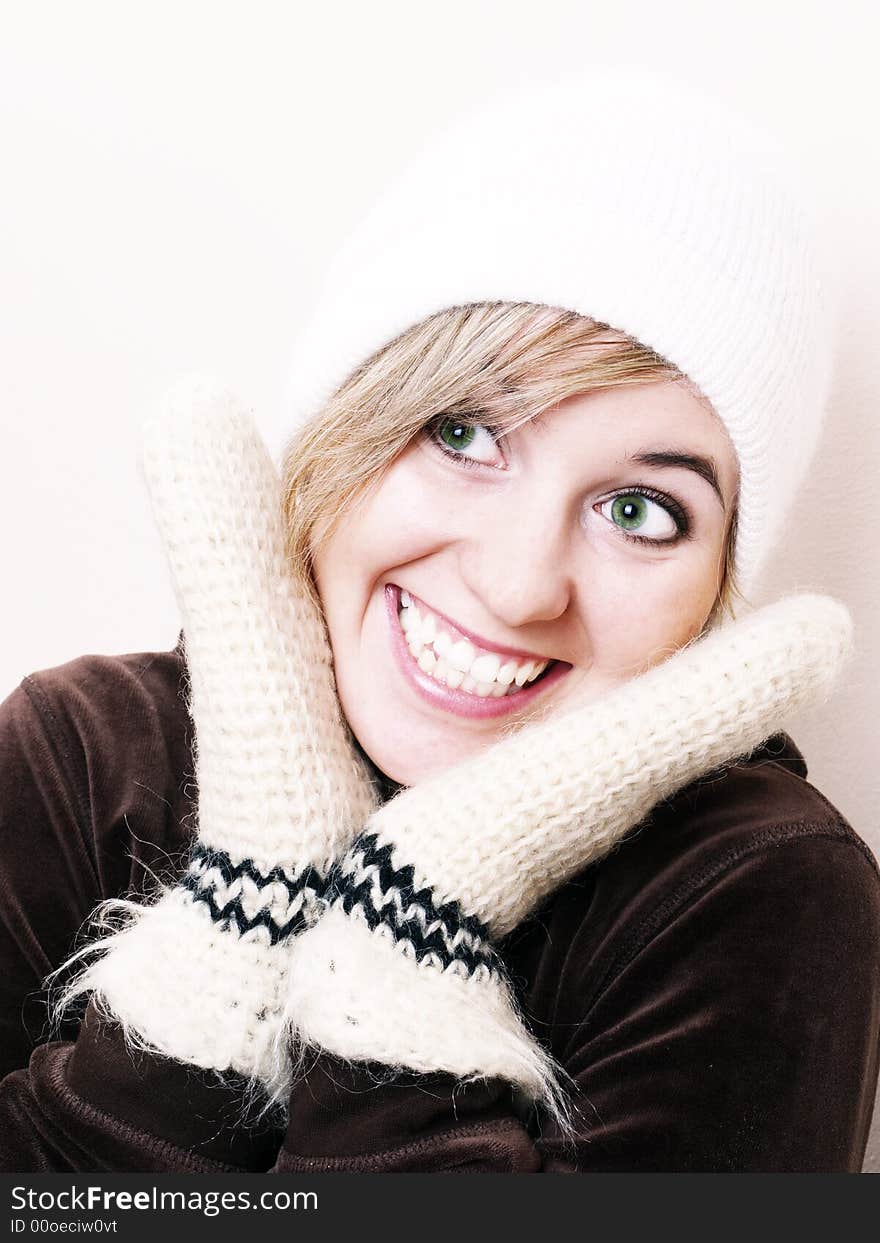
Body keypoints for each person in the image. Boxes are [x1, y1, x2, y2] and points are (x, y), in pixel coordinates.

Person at [1, 71, 879, 1174]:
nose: (519, 587)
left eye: (639, 510)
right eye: (463, 433)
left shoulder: (750, 886)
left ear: (715, 589)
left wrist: (401, 950)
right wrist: (241, 919)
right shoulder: (79, 754)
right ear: (345, 429)